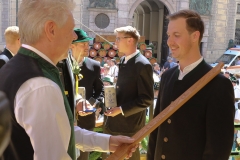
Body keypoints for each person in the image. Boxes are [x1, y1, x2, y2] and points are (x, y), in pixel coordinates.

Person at [0, 1, 137, 160]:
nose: (73, 37)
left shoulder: (12, 69)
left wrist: (108, 142)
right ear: (51, 30)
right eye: (71, 29)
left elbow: (60, 132)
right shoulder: (41, 85)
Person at [147, 9, 235, 160]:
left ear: (195, 36)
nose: (169, 42)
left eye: (177, 35)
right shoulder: (167, 76)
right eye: (169, 35)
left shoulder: (219, 85)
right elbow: (156, 131)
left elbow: (217, 149)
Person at [104, 26, 154, 160]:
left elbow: (147, 99)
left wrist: (120, 109)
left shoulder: (142, 65)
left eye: (118, 39)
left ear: (130, 40)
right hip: (116, 124)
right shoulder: (123, 60)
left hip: (129, 127)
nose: (115, 42)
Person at [70, 28, 105, 160]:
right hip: (67, 120)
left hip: (86, 121)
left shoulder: (94, 65)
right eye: (82, 44)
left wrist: (91, 105)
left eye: (87, 44)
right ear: (71, 45)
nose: (87, 47)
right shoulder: (62, 65)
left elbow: (100, 90)